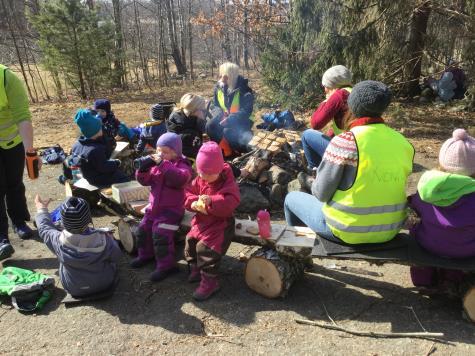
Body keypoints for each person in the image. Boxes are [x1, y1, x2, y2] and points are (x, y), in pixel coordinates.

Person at [284, 80, 414, 244]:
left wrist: (310, 181)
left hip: (346, 231)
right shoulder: (404, 143)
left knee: (291, 199)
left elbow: (321, 194)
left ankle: (299, 253)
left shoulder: (345, 141)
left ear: (352, 106)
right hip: (390, 231)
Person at [408, 129, 475, 289]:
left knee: (415, 228)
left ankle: (422, 279)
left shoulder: (428, 187)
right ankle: (452, 279)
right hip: (466, 250)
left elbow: (414, 206)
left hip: (428, 243)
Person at [131, 132, 192, 282]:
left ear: (175, 152)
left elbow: (179, 179)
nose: (160, 154)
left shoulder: (182, 165)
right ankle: (146, 255)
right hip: (154, 207)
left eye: (165, 152)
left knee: (161, 234)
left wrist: (163, 164)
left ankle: (166, 266)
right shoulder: (157, 166)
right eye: (158, 150)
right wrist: (143, 169)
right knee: (143, 229)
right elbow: (145, 181)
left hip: (172, 210)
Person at [34, 195, 121, 297]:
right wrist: (111, 239)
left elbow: (44, 228)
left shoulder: (57, 240)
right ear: (89, 218)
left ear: (62, 222)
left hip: (74, 288)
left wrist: (41, 208)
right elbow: (117, 256)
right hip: (105, 283)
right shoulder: (104, 238)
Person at [184, 142, 240, 300]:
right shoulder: (200, 179)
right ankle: (196, 268)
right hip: (202, 220)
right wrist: (193, 202)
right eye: (202, 173)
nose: (205, 178)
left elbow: (230, 202)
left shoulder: (227, 181)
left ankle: (210, 282)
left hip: (221, 223)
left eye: (210, 174)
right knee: (190, 240)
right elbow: (187, 193)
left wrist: (212, 201)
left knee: (207, 249)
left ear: (220, 169)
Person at [0, 64, 39, 261]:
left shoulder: (7, 78)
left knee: (14, 183)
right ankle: (1, 238)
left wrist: (29, 151)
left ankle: (19, 222)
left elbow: (23, 116)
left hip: (13, 140)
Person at [301, 65, 353, 172]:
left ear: (333, 84)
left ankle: (315, 172)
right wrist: (330, 135)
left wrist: (325, 102)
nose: (325, 90)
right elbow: (345, 125)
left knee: (307, 135)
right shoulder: (353, 91)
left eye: (326, 85)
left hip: (348, 153)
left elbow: (316, 124)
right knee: (326, 135)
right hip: (357, 148)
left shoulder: (339, 95)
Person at [71, 109, 130, 187]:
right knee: (123, 178)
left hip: (88, 174)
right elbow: (104, 167)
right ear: (97, 131)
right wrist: (116, 162)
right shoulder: (95, 149)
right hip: (98, 179)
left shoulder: (77, 145)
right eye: (100, 128)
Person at [206, 62, 254, 156]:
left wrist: (230, 119)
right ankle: (222, 151)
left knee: (228, 131)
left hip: (240, 121)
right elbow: (216, 105)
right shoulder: (219, 87)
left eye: (224, 76)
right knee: (210, 126)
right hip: (223, 118)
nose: (221, 78)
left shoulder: (245, 90)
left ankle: (239, 151)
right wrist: (220, 115)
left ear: (231, 76)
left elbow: (246, 111)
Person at [166, 93, 207, 159]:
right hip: (181, 148)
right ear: (194, 109)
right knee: (190, 134)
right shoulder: (181, 120)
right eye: (201, 109)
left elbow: (202, 131)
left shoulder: (190, 114)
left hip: (189, 143)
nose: (202, 111)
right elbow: (200, 133)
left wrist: (201, 119)